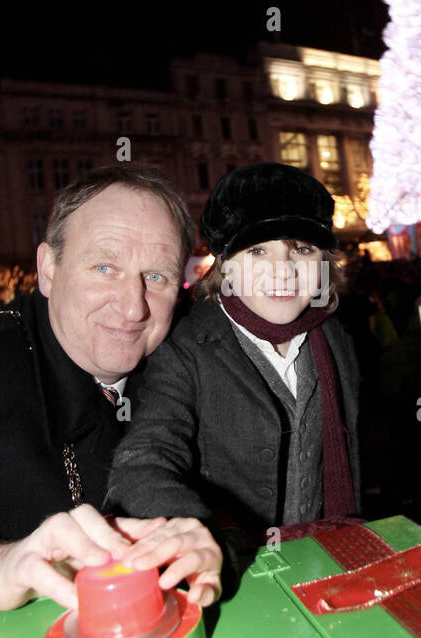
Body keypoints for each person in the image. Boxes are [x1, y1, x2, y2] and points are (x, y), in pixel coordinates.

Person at [0, 165, 223, 638]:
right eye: (104, 268)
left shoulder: (192, 371)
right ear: (47, 269)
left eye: (157, 277)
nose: (132, 307)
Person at [106, 163, 361, 542]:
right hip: (237, 572)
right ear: (224, 266)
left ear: (324, 263)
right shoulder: (184, 349)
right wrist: (188, 535)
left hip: (326, 559)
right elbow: (145, 458)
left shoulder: (336, 338)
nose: (283, 271)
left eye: (302, 249)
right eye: (258, 251)